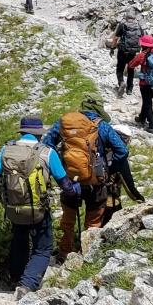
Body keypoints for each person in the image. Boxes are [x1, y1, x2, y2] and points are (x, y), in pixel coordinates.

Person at [0, 115, 75, 298]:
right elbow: (65, 184)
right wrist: (75, 190)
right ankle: (27, 284)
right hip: (37, 210)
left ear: (22, 132)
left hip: (13, 209)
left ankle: (15, 278)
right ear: (39, 134)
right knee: (43, 248)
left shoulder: (6, 150)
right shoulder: (47, 152)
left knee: (19, 240)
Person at [42, 96, 135, 259]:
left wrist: (62, 165)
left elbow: (47, 144)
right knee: (94, 220)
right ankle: (88, 252)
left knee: (68, 219)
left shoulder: (65, 122)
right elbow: (122, 151)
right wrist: (108, 169)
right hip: (96, 181)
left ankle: (64, 251)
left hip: (70, 179)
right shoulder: (102, 126)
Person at [127, 34, 153, 133]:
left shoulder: (142, 55)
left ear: (143, 45)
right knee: (148, 100)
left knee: (147, 102)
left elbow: (131, 65)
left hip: (145, 83)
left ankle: (152, 125)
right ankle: (142, 118)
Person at [109, 10, 144, 95]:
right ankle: (129, 89)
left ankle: (121, 82)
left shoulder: (122, 25)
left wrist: (112, 48)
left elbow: (116, 38)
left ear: (126, 17)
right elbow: (142, 38)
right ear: (134, 18)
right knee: (131, 69)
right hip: (133, 52)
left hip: (122, 51)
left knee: (120, 69)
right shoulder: (138, 26)